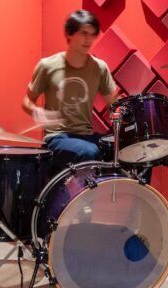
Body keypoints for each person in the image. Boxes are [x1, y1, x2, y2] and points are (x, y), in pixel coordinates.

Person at [22, 9, 118, 169]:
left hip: (87, 136)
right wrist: (38, 113)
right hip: (57, 138)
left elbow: (113, 104)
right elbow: (27, 101)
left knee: (133, 151)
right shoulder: (47, 66)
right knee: (89, 152)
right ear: (69, 34)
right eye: (83, 33)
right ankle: (85, 194)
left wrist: (121, 107)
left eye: (92, 34)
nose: (88, 39)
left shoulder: (99, 67)